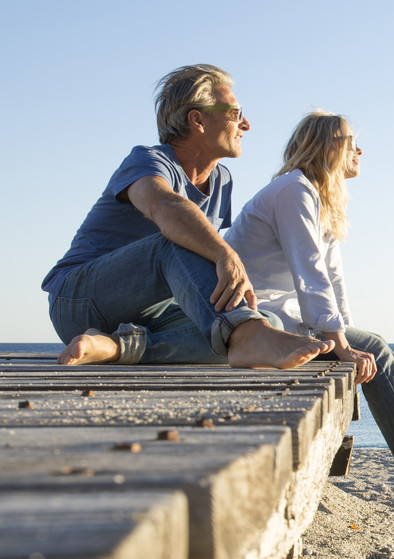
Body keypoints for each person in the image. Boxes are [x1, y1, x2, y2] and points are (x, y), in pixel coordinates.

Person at [223, 111, 394, 491]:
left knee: (371, 344)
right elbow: (311, 274)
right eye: (351, 141)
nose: (359, 150)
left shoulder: (318, 197)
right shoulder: (295, 191)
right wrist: (342, 345)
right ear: (328, 146)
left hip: (285, 316)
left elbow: (334, 280)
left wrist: (347, 340)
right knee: (373, 346)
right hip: (257, 320)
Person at [42, 64, 334, 368]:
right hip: (78, 300)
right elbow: (164, 207)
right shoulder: (146, 161)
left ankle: (115, 347)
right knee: (177, 240)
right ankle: (246, 336)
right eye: (235, 113)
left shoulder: (221, 179)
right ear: (197, 119)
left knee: (264, 320)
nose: (245, 124)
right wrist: (225, 253)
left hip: (151, 312)